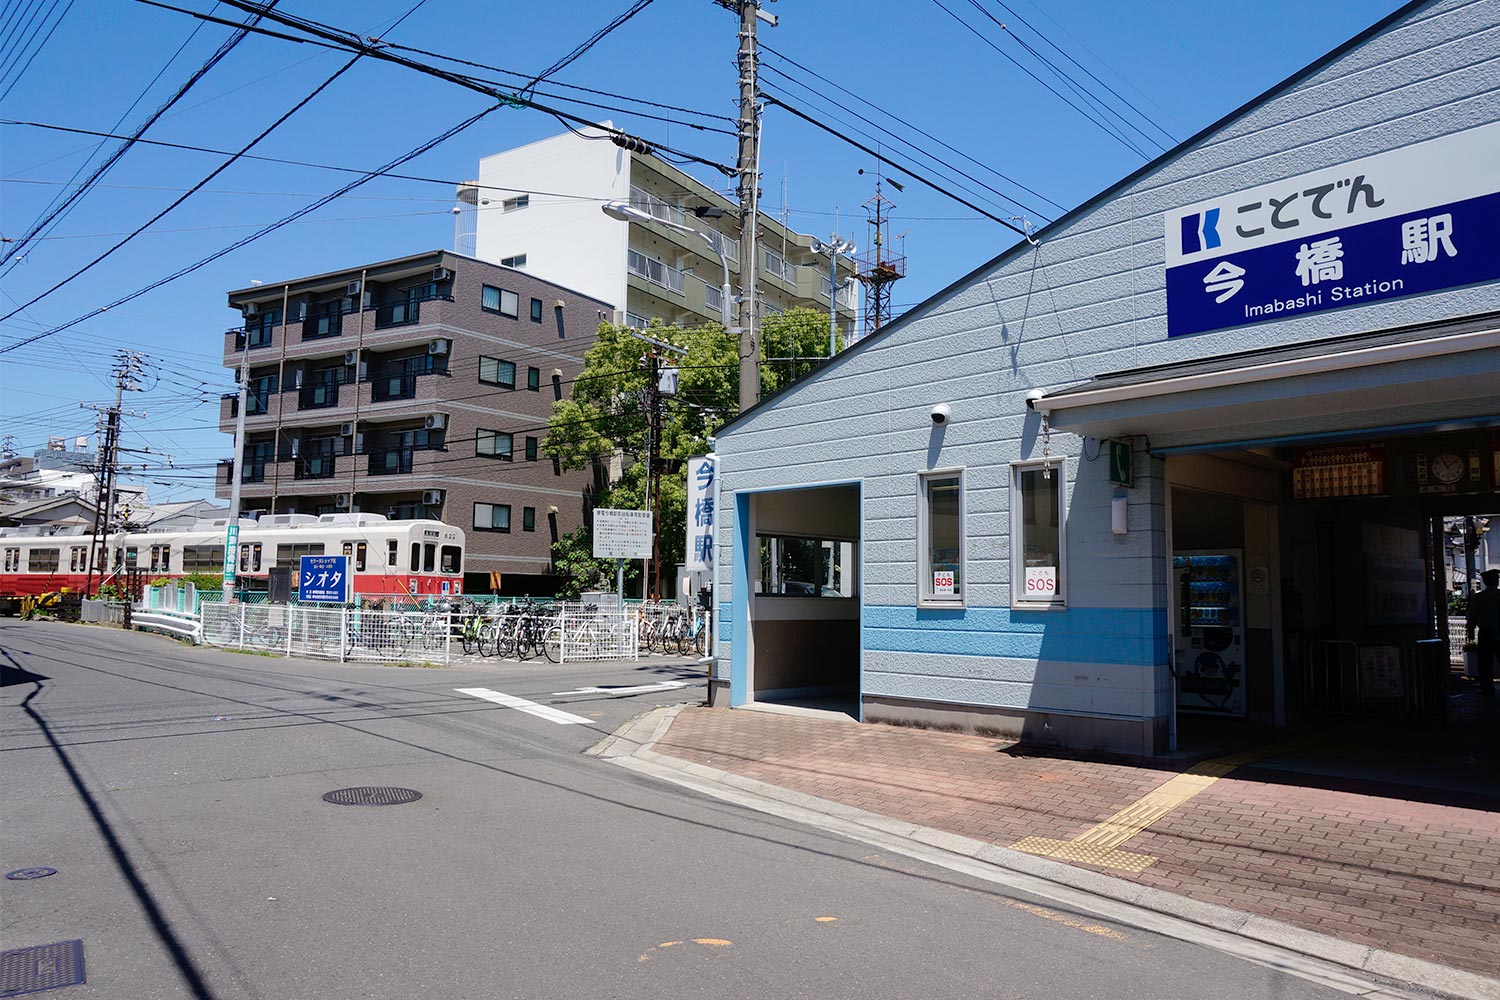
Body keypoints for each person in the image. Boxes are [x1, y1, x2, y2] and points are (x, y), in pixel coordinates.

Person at [1466, 569, 1500, 697]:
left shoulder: (1479, 597)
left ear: (1485, 582)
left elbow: (1472, 616)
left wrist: (1470, 632)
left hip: (1485, 632)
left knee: (1485, 662)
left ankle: (1487, 687)